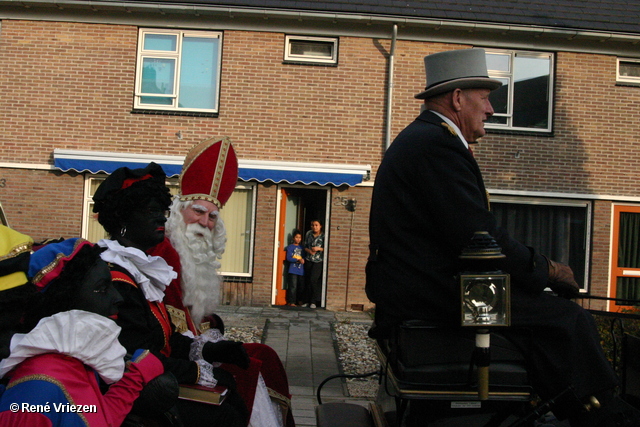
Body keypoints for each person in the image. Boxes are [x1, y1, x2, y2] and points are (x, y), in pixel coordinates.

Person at [366, 48, 640, 427]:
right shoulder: (436, 146)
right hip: (434, 295)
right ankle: (605, 415)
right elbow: (481, 238)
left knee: (548, 313)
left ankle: (559, 403)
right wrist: (547, 270)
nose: (492, 110)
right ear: (458, 98)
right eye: (485, 98)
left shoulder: (425, 140)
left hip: (423, 289)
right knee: (568, 318)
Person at [150, 137, 295, 427]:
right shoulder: (163, 251)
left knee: (265, 357)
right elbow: (168, 322)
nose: (205, 223)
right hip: (168, 358)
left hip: (194, 347)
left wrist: (212, 327)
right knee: (256, 363)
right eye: (198, 212)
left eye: (212, 216)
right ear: (179, 212)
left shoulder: (196, 254)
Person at [92, 162, 249, 427]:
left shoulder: (143, 271)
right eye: (151, 211)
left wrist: (208, 349)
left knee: (233, 401)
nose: (161, 219)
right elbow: (136, 355)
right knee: (225, 417)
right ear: (123, 219)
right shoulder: (114, 278)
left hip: (153, 381)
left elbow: (161, 338)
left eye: (162, 212)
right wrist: (199, 371)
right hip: (126, 394)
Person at [0, 238, 164, 426]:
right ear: (62, 302)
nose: (117, 298)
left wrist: (135, 377)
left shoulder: (75, 365)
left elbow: (94, 417)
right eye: (101, 288)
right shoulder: (35, 392)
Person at [302, 220, 324, 308]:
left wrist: (319, 249)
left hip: (318, 261)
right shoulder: (308, 234)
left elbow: (327, 248)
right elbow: (305, 246)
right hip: (309, 259)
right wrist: (309, 251)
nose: (314, 227)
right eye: (312, 225)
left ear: (320, 226)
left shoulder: (323, 236)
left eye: (316, 225)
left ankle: (314, 301)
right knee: (307, 280)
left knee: (313, 280)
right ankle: (306, 300)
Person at [284, 229, 304, 307]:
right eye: (296, 237)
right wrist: (297, 259)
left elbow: (304, 257)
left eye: (299, 237)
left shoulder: (302, 247)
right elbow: (289, 258)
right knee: (293, 286)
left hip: (301, 270)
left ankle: (299, 300)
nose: (298, 239)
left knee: (301, 286)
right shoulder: (290, 247)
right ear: (293, 238)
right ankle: (291, 301)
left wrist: (303, 260)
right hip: (293, 270)